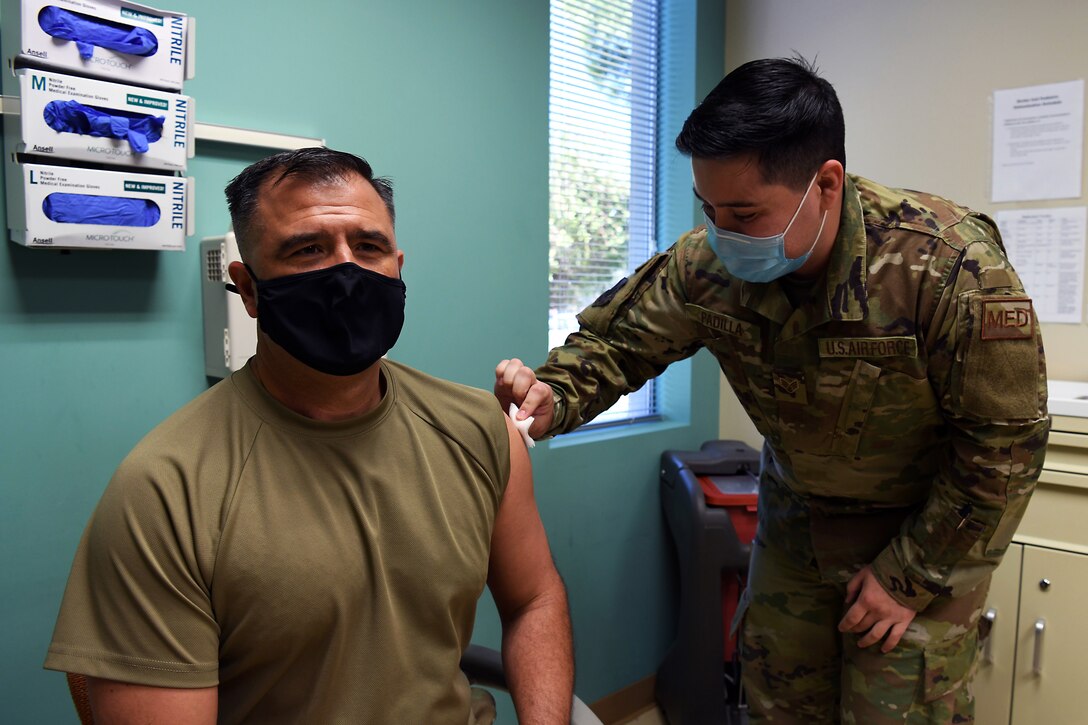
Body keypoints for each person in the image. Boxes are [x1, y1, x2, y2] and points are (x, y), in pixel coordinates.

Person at [495, 57, 1048, 723]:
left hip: (921, 530)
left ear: (825, 184)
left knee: (895, 710)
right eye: (710, 208)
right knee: (776, 705)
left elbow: (1004, 453)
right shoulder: (708, 263)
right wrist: (553, 393)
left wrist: (908, 576)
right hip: (794, 528)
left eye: (746, 212)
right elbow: (618, 345)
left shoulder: (947, 267)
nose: (722, 232)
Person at [45, 147, 573, 724]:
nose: (346, 272)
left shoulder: (477, 431)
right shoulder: (166, 490)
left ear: (398, 266)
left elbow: (534, 600)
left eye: (367, 246)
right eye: (307, 250)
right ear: (248, 289)